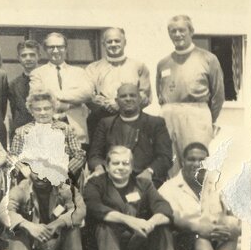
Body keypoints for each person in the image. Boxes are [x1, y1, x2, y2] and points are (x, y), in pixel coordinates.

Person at [83, 145, 180, 250]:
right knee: (104, 225)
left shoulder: (143, 184)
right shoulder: (96, 183)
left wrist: (151, 223)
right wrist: (130, 221)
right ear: (107, 165)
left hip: (136, 247)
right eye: (116, 163)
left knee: (162, 228)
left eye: (125, 163)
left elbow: (164, 208)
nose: (121, 167)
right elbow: (94, 207)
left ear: (132, 166)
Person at [159, 143, 242, 250]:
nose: (196, 164)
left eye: (201, 160)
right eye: (191, 159)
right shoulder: (169, 188)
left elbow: (233, 212)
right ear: (182, 161)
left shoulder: (216, 184)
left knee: (231, 230)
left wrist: (232, 225)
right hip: (185, 243)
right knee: (201, 236)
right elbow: (174, 218)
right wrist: (199, 227)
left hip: (213, 238)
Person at [156, 15, 225, 177]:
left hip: (196, 114)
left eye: (182, 30)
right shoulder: (163, 63)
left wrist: (207, 119)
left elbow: (218, 95)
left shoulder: (208, 58)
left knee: (196, 161)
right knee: (171, 163)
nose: (178, 34)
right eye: (173, 31)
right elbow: (161, 93)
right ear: (169, 34)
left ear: (191, 31)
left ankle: (200, 200)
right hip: (169, 115)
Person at [87, 82, 172, 188]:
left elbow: (165, 157)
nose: (128, 99)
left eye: (132, 95)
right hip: (112, 180)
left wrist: (149, 172)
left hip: (145, 181)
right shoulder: (105, 124)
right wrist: (99, 168)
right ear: (117, 101)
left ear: (140, 99)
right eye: (123, 96)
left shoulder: (155, 123)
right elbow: (94, 155)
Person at [29, 32, 95, 145]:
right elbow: (38, 98)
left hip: (77, 131)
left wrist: (57, 95)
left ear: (66, 48)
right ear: (45, 49)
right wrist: (73, 103)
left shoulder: (79, 72)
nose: (55, 51)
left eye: (59, 47)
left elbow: (88, 93)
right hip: (48, 133)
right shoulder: (37, 74)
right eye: (51, 47)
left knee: (77, 162)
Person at [85, 27, 152, 137]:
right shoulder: (93, 68)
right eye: (109, 41)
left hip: (132, 120)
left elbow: (145, 96)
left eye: (117, 41)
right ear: (103, 44)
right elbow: (88, 96)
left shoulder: (138, 66)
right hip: (102, 120)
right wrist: (107, 104)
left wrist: (120, 104)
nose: (113, 44)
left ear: (125, 42)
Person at [9, 92, 86, 183]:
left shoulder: (65, 129)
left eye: (47, 108)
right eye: (38, 109)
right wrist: (22, 168)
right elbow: (12, 156)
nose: (42, 112)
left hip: (61, 179)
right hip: (31, 179)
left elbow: (79, 155)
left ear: (53, 109)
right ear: (31, 111)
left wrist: (67, 170)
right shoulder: (22, 131)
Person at [7, 40, 40, 134]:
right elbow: (15, 113)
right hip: (23, 132)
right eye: (24, 55)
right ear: (19, 58)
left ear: (39, 56)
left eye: (32, 55)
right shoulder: (13, 85)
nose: (28, 58)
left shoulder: (48, 79)